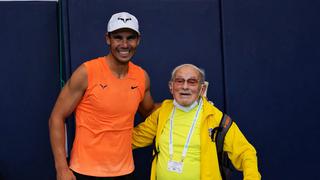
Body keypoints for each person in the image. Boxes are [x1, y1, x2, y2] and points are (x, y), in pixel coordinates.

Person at [49, 12, 157, 180]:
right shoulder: (87, 72)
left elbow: (150, 112)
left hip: (125, 171)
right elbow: (56, 117)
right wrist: (61, 168)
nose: (124, 44)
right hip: (85, 171)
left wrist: (184, 103)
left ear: (138, 40)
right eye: (118, 38)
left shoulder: (141, 77)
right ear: (108, 39)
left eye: (130, 38)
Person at [132, 64, 261, 180]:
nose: (185, 86)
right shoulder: (162, 113)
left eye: (192, 82)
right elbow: (133, 139)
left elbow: (246, 152)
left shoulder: (216, 119)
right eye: (179, 81)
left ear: (202, 89)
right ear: (171, 87)